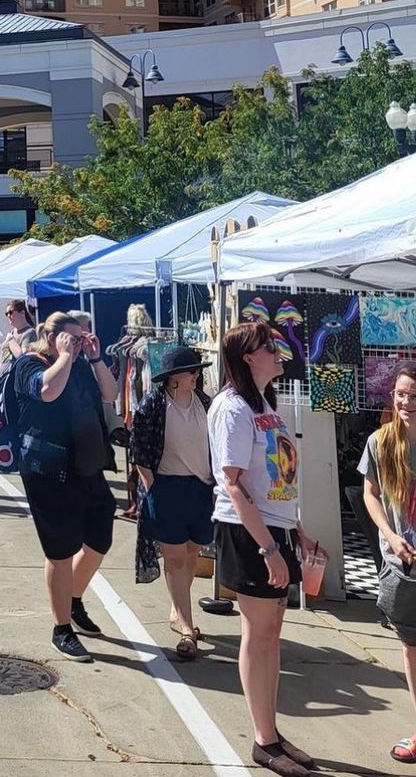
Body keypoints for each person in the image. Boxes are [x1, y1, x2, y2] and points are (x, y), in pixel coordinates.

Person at [209, 320, 314, 777]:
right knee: (260, 631)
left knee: (273, 632)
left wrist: (297, 529)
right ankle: (264, 739)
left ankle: (270, 733)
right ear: (248, 357)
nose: (278, 352)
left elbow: (277, 480)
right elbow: (233, 485)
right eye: (269, 347)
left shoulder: (265, 404)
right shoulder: (231, 408)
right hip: (249, 532)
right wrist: (269, 548)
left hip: (275, 530)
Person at [10, 310, 118, 664]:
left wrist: (95, 356)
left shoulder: (83, 363)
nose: (78, 341)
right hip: (48, 470)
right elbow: (48, 391)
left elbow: (110, 393)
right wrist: (67, 356)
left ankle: (73, 599)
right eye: (72, 336)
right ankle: (62, 628)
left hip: (88, 464)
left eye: (82, 335)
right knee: (60, 550)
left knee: (99, 538)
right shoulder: (29, 364)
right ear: (52, 336)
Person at [129, 345, 214, 660]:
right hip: (168, 488)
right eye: (193, 370)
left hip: (201, 489)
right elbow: (139, 447)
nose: (197, 375)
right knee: (176, 559)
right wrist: (153, 486)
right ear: (176, 377)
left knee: (192, 552)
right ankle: (187, 628)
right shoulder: (152, 405)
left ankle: (178, 609)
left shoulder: (206, 403)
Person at [361, 362, 416, 764]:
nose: (406, 402)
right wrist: (391, 536)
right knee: (411, 648)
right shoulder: (380, 442)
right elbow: (370, 495)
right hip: (403, 565)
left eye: (413, 395)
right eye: (401, 394)